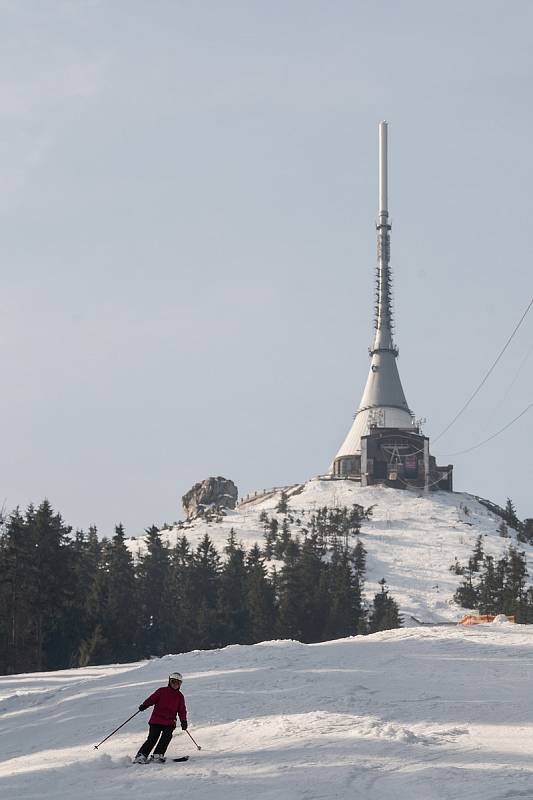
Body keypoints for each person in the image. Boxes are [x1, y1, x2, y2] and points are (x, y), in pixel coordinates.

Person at [133, 671, 188, 763]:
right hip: (156, 720)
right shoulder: (161, 691)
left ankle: (157, 755)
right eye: (173, 682)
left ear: (180, 684)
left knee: (166, 737)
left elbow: (182, 710)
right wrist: (145, 705)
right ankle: (141, 755)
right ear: (169, 682)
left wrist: (183, 721)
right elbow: (152, 699)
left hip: (170, 722)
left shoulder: (179, 696)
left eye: (178, 683)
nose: (175, 684)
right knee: (152, 738)